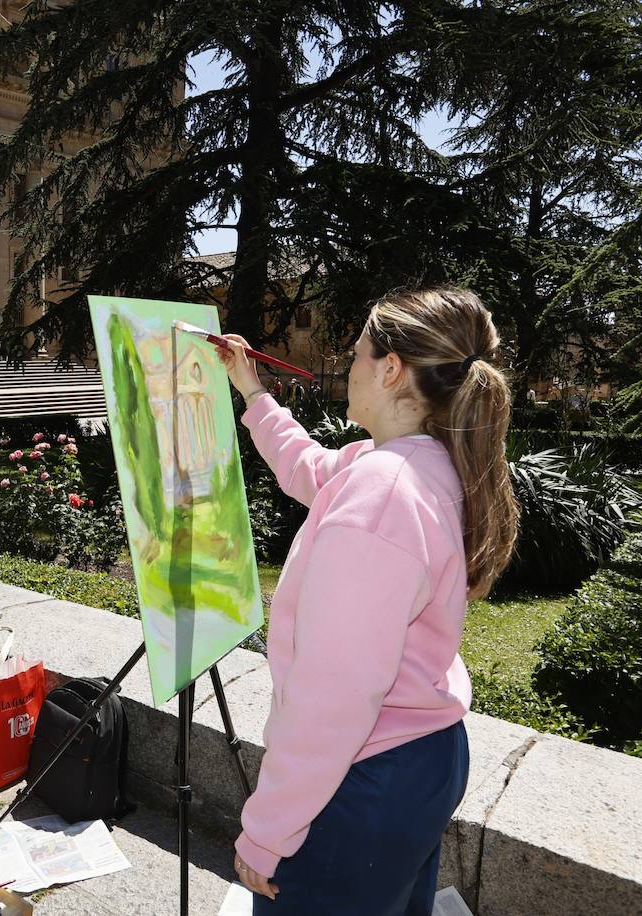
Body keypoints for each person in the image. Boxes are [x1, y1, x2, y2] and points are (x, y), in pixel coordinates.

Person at [217, 287, 518, 915]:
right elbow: (310, 469)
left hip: (364, 773)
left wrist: (266, 832)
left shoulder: (383, 493)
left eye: (355, 353)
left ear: (390, 369)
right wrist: (252, 391)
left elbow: (337, 694)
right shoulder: (416, 462)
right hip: (419, 753)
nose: (346, 366)